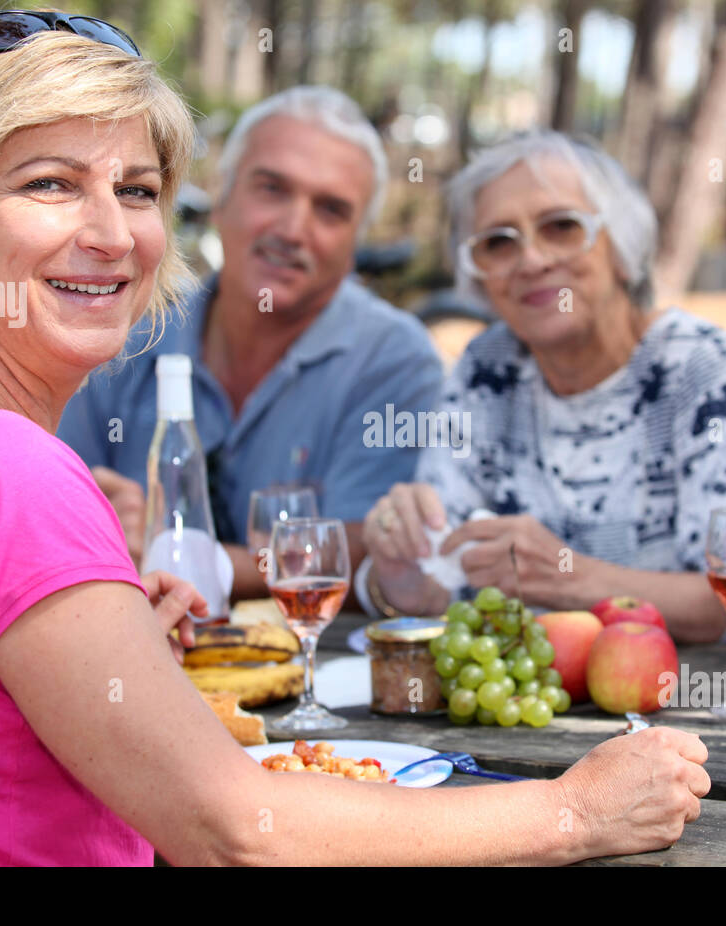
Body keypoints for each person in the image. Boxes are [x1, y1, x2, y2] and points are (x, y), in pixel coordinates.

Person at [0, 12, 710, 866]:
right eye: (49, 184)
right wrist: (575, 812)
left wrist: (121, 647)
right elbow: (231, 830)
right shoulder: (2, 468)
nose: (111, 233)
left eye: (136, 190)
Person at [359, 131, 726, 644]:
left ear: (622, 248)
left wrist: (570, 579)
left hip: (678, 704)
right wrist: (402, 575)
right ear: (480, 278)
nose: (531, 260)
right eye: (498, 243)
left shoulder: (695, 364)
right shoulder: (486, 369)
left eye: (560, 227)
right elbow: (442, 581)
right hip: (521, 710)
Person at [57, 85, 444, 598]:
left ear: (356, 246)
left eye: (330, 210)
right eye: (272, 189)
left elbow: (364, 549)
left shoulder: (394, 359)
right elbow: (51, 504)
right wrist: (90, 517)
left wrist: (167, 556)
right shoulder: (129, 324)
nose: (292, 228)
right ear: (221, 198)